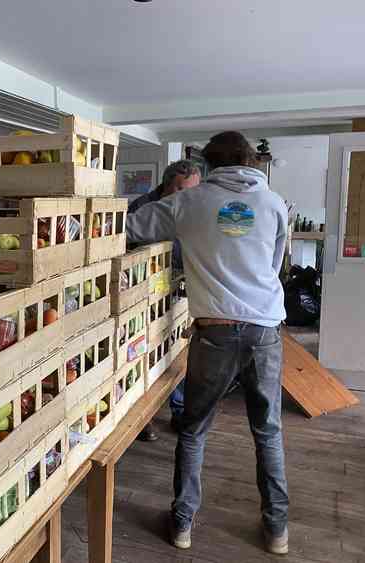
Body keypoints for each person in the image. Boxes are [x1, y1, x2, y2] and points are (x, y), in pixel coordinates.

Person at [126, 131, 290, 555]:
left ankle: (182, 525)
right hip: (265, 328)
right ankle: (277, 531)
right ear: (251, 161)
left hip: (214, 328)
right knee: (267, 432)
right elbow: (274, 265)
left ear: (209, 164)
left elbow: (133, 227)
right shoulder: (273, 203)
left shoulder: (189, 201)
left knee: (195, 430)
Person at [128, 160, 201, 442]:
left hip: (177, 287)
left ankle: (178, 409)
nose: (186, 196)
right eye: (181, 189)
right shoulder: (140, 208)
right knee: (142, 353)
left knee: (176, 350)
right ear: (166, 184)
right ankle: (141, 417)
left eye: (192, 190)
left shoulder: (192, 208)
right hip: (144, 290)